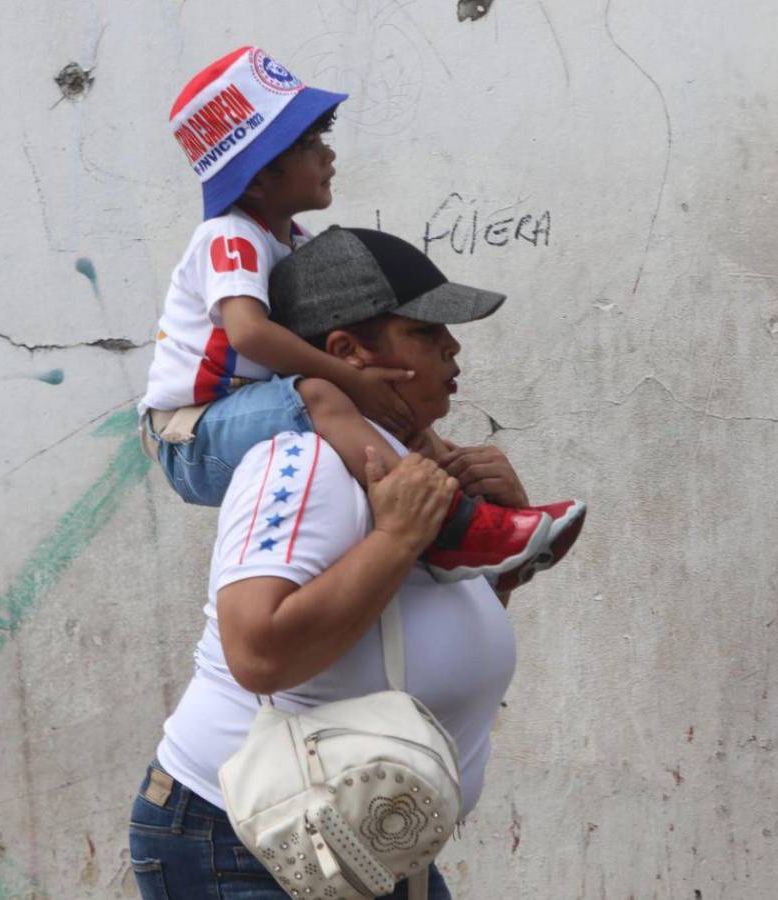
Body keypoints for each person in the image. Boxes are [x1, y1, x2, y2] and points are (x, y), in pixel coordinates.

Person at [128, 227, 586, 898]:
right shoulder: (303, 463)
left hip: (360, 834)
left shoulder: (401, 464)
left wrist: (500, 568)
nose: (453, 348)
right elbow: (256, 654)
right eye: (427, 333)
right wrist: (398, 537)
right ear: (345, 351)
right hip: (251, 842)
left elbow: (407, 626)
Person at [138, 47, 583, 588]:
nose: (327, 155)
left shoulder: (293, 243)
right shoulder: (230, 235)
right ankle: (452, 529)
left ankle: (471, 498)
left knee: (350, 395)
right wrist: (348, 379)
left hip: (246, 413)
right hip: (192, 436)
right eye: (307, 144)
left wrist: (393, 412)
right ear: (257, 180)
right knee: (324, 395)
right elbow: (248, 333)